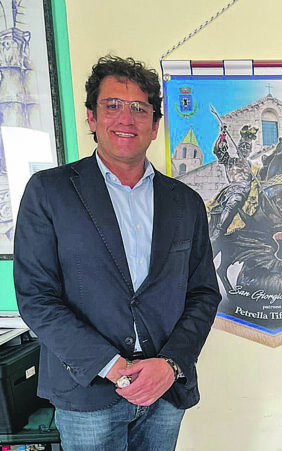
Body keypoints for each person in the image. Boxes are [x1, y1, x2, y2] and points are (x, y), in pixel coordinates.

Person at [13, 55, 221, 451]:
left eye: (139, 108)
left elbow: (203, 294)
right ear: (91, 117)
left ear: (155, 125)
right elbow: (36, 297)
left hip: (164, 390)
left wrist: (171, 364)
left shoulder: (186, 202)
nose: (126, 118)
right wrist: (113, 367)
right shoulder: (49, 192)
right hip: (88, 390)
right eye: (113, 105)